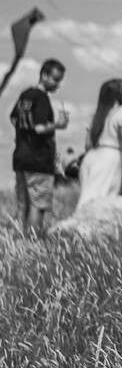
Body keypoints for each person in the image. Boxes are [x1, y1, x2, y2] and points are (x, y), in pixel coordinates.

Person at [9, 58, 69, 236]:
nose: (58, 84)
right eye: (55, 79)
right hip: (39, 160)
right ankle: (33, 243)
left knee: (22, 205)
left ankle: (18, 242)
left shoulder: (26, 95)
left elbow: (13, 118)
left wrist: (23, 134)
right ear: (44, 75)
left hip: (20, 156)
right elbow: (39, 128)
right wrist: (58, 125)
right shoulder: (41, 98)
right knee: (38, 205)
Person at [77, 79, 122, 207]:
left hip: (90, 159)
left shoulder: (97, 116)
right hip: (109, 158)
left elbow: (87, 145)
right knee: (100, 204)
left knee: (87, 200)